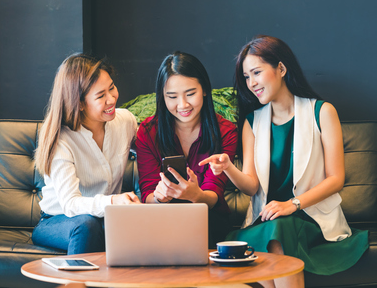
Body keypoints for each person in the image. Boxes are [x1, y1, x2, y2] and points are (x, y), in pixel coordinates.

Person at [199, 36, 368, 288]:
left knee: (279, 231)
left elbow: (336, 179)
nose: (251, 83)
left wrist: (293, 204)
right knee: (275, 230)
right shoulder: (251, 122)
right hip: (267, 220)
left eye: (256, 72)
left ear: (281, 68)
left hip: (310, 218)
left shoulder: (322, 112)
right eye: (246, 77)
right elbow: (251, 187)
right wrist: (228, 168)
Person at [32, 54, 141, 255]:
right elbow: (71, 204)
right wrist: (113, 201)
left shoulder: (125, 121)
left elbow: (151, 151)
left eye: (112, 87)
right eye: (101, 96)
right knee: (87, 225)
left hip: (104, 219)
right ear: (79, 103)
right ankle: (75, 285)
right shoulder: (62, 140)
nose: (112, 99)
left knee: (119, 225)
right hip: (59, 220)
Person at [136, 52, 237, 246]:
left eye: (190, 94)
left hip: (208, 217)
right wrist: (159, 198)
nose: (182, 105)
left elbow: (213, 194)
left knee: (200, 223)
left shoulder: (225, 131)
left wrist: (195, 195)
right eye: (172, 97)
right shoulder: (148, 132)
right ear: (162, 97)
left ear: (205, 90)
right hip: (161, 219)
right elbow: (147, 192)